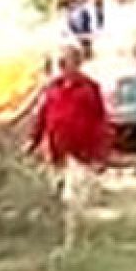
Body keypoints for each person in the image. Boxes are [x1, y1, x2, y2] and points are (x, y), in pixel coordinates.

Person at [29, 45, 113, 249]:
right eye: (61, 62)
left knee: (73, 200)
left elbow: (100, 122)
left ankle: (73, 244)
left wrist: (102, 155)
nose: (63, 66)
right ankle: (68, 240)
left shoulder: (89, 89)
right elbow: (43, 115)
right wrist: (33, 141)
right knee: (57, 199)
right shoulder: (53, 88)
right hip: (57, 153)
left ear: (78, 63)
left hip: (81, 154)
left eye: (67, 61)